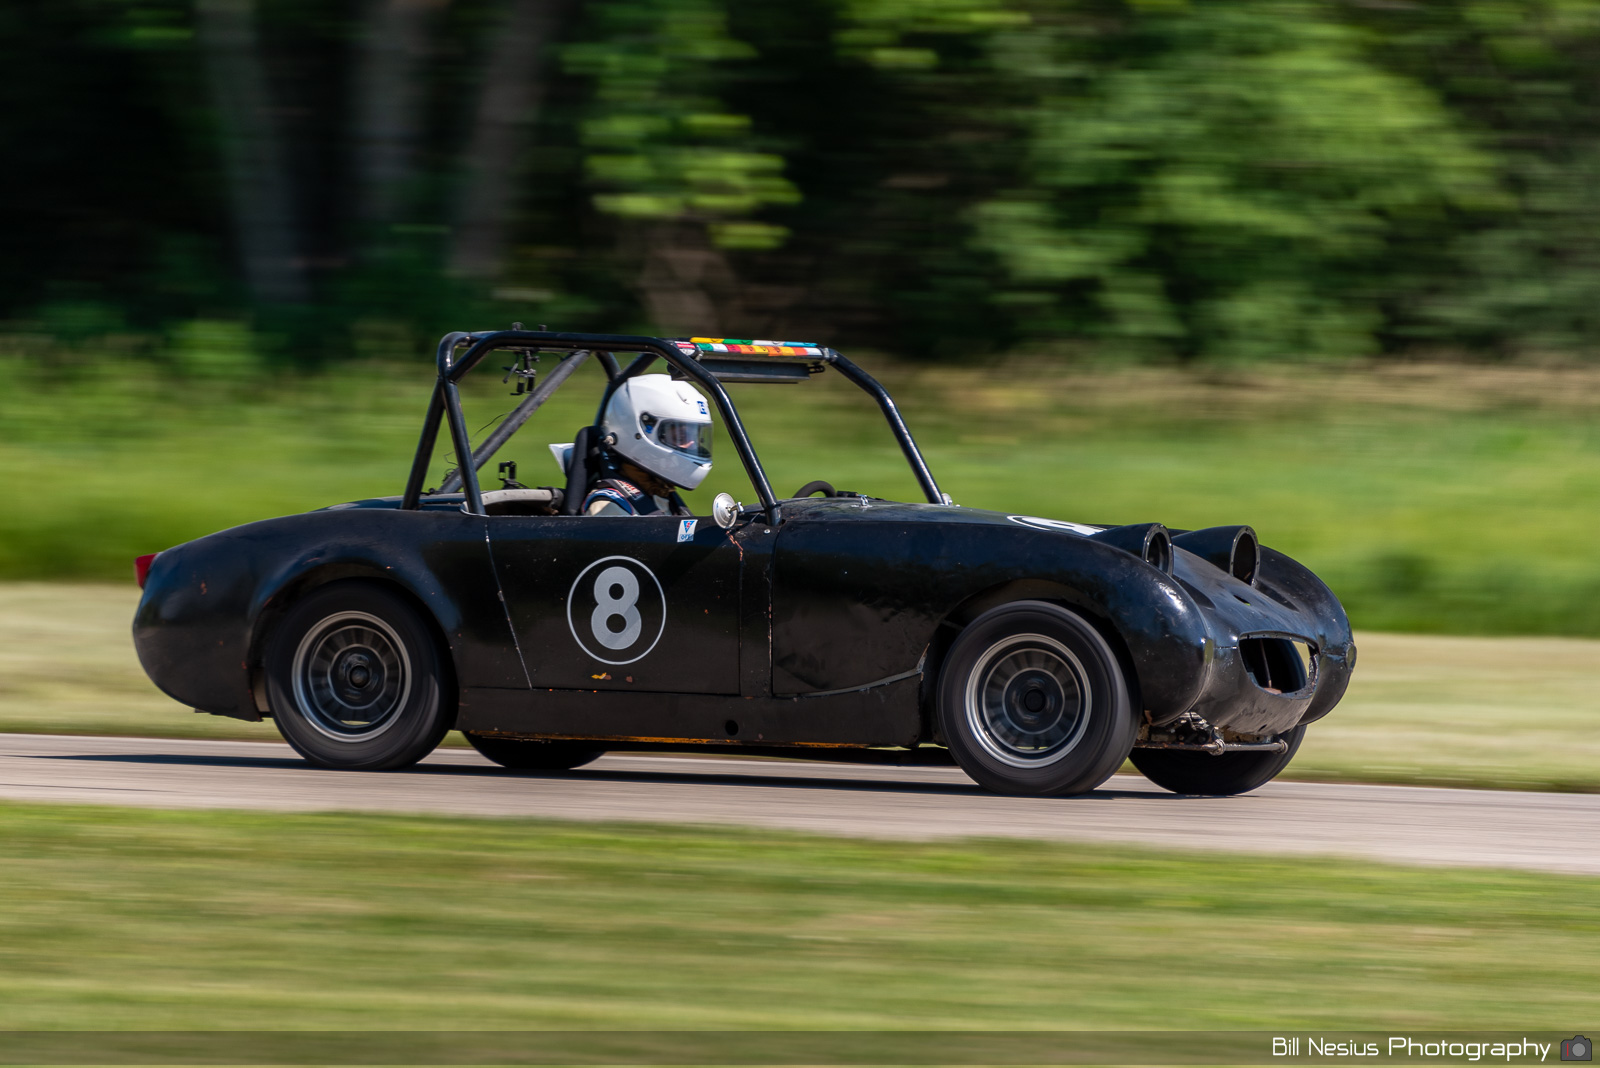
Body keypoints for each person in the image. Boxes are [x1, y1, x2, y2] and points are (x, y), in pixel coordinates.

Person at [572, 374, 714, 516]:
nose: (692, 445)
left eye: (694, 436)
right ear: (638, 431)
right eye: (681, 437)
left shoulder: (662, 494)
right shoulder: (610, 507)